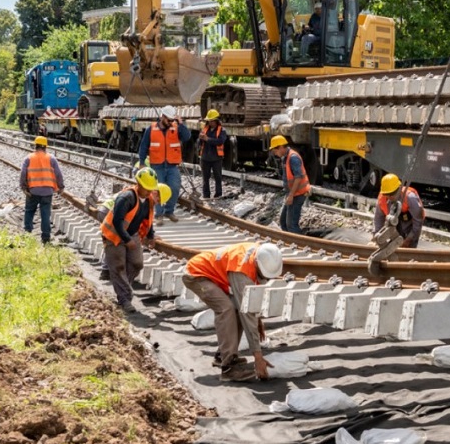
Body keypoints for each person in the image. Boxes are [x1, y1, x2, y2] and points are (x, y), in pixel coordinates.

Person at [182, 242, 282, 382]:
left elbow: (247, 305)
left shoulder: (261, 253)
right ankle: (228, 368)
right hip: (196, 274)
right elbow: (247, 311)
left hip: (210, 275)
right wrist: (258, 357)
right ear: (257, 264)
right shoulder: (241, 270)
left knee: (236, 307)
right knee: (226, 309)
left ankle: (222, 356)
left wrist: (258, 319)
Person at [100, 167, 170, 313]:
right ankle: (124, 299)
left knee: (137, 264)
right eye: (146, 188)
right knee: (118, 267)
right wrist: (127, 239)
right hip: (114, 235)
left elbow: (148, 219)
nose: (149, 192)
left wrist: (150, 236)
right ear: (138, 183)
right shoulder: (126, 198)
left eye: (151, 189)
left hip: (132, 234)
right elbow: (118, 222)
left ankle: (123, 288)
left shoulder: (148, 200)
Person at [138, 105, 190, 221]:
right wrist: (141, 162)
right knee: (157, 190)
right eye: (169, 120)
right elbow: (143, 146)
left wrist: (181, 123)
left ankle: (169, 211)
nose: (171, 122)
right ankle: (158, 214)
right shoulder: (150, 129)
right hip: (157, 165)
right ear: (162, 117)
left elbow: (187, 137)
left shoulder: (176, 128)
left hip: (172, 165)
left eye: (172, 120)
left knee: (174, 187)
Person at [19, 136, 65, 244]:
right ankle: (46, 238)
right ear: (45, 147)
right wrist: (61, 187)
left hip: (32, 191)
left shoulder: (29, 158)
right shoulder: (51, 158)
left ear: (35, 146)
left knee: (29, 211)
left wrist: (24, 187)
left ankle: (27, 233)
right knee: (45, 214)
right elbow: (58, 174)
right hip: (47, 192)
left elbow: (23, 173)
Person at [268, 135, 310, 234]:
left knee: (291, 225)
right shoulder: (286, 157)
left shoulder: (293, 158)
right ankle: (288, 242)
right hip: (292, 193)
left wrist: (291, 195)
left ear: (281, 147)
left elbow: (298, 177)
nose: (275, 153)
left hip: (297, 194)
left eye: (275, 151)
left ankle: (299, 243)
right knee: (283, 222)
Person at [373, 173, 425, 248]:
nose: (389, 197)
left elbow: (418, 221)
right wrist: (376, 238)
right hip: (395, 224)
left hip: (409, 224)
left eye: (392, 194)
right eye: (387, 194)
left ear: (399, 188)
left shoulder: (410, 198)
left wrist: (408, 240)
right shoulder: (382, 199)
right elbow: (378, 219)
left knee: (409, 246)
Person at [199, 108, 228, 199]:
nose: (210, 123)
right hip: (205, 158)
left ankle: (218, 194)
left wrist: (208, 139)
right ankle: (206, 195)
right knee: (205, 178)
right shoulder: (205, 129)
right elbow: (199, 142)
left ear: (216, 120)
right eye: (209, 121)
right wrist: (200, 139)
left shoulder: (222, 130)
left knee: (218, 177)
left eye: (211, 121)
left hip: (216, 158)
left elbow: (220, 141)